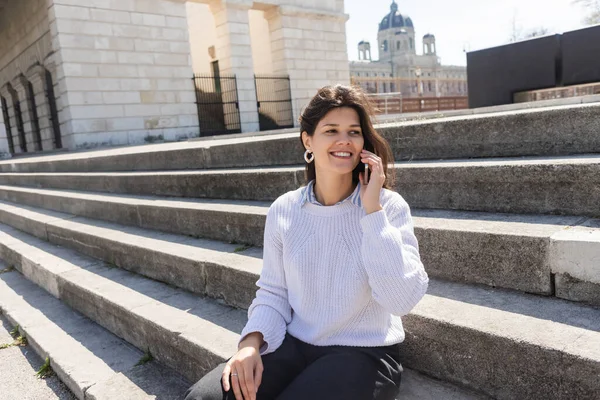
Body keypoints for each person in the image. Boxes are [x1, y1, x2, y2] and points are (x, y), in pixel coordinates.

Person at [185, 84, 429, 400]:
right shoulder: (285, 209)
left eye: (354, 132)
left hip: (363, 352)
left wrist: (372, 212)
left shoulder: (388, 207)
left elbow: (401, 300)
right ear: (308, 140)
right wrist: (250, 344)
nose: (345, 140)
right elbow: (274, 292)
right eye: (331, 130)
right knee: (203, 398)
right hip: (294, 345)